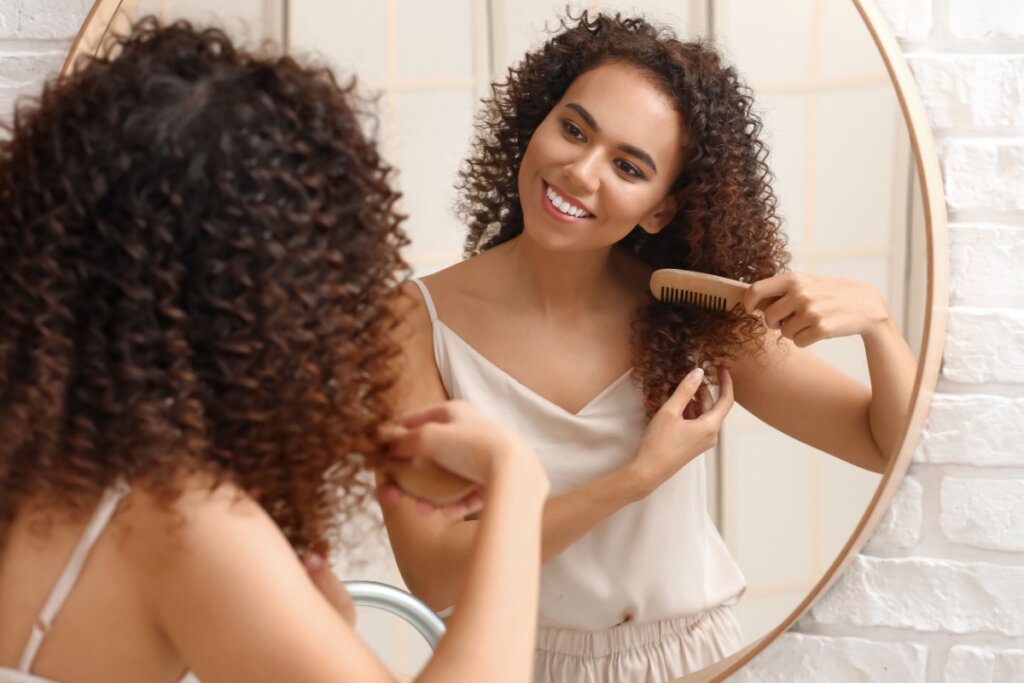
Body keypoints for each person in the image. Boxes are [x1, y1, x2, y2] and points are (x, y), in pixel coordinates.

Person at [0, 17, 549, 683]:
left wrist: (308, 636)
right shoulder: (180, 518)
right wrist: (519, 484)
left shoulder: (37, 442)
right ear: (280, 302)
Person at [378, 11, 916, 683]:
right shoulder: (413, 320)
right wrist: (635, 478)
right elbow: (432, 571)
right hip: (513, 661)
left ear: (661, 208)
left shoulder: (690, 307)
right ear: (537, 121)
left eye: (629, 166)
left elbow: (886, 444)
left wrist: (878, 326)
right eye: (573, 128)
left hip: (694, 656)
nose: (579, 170)